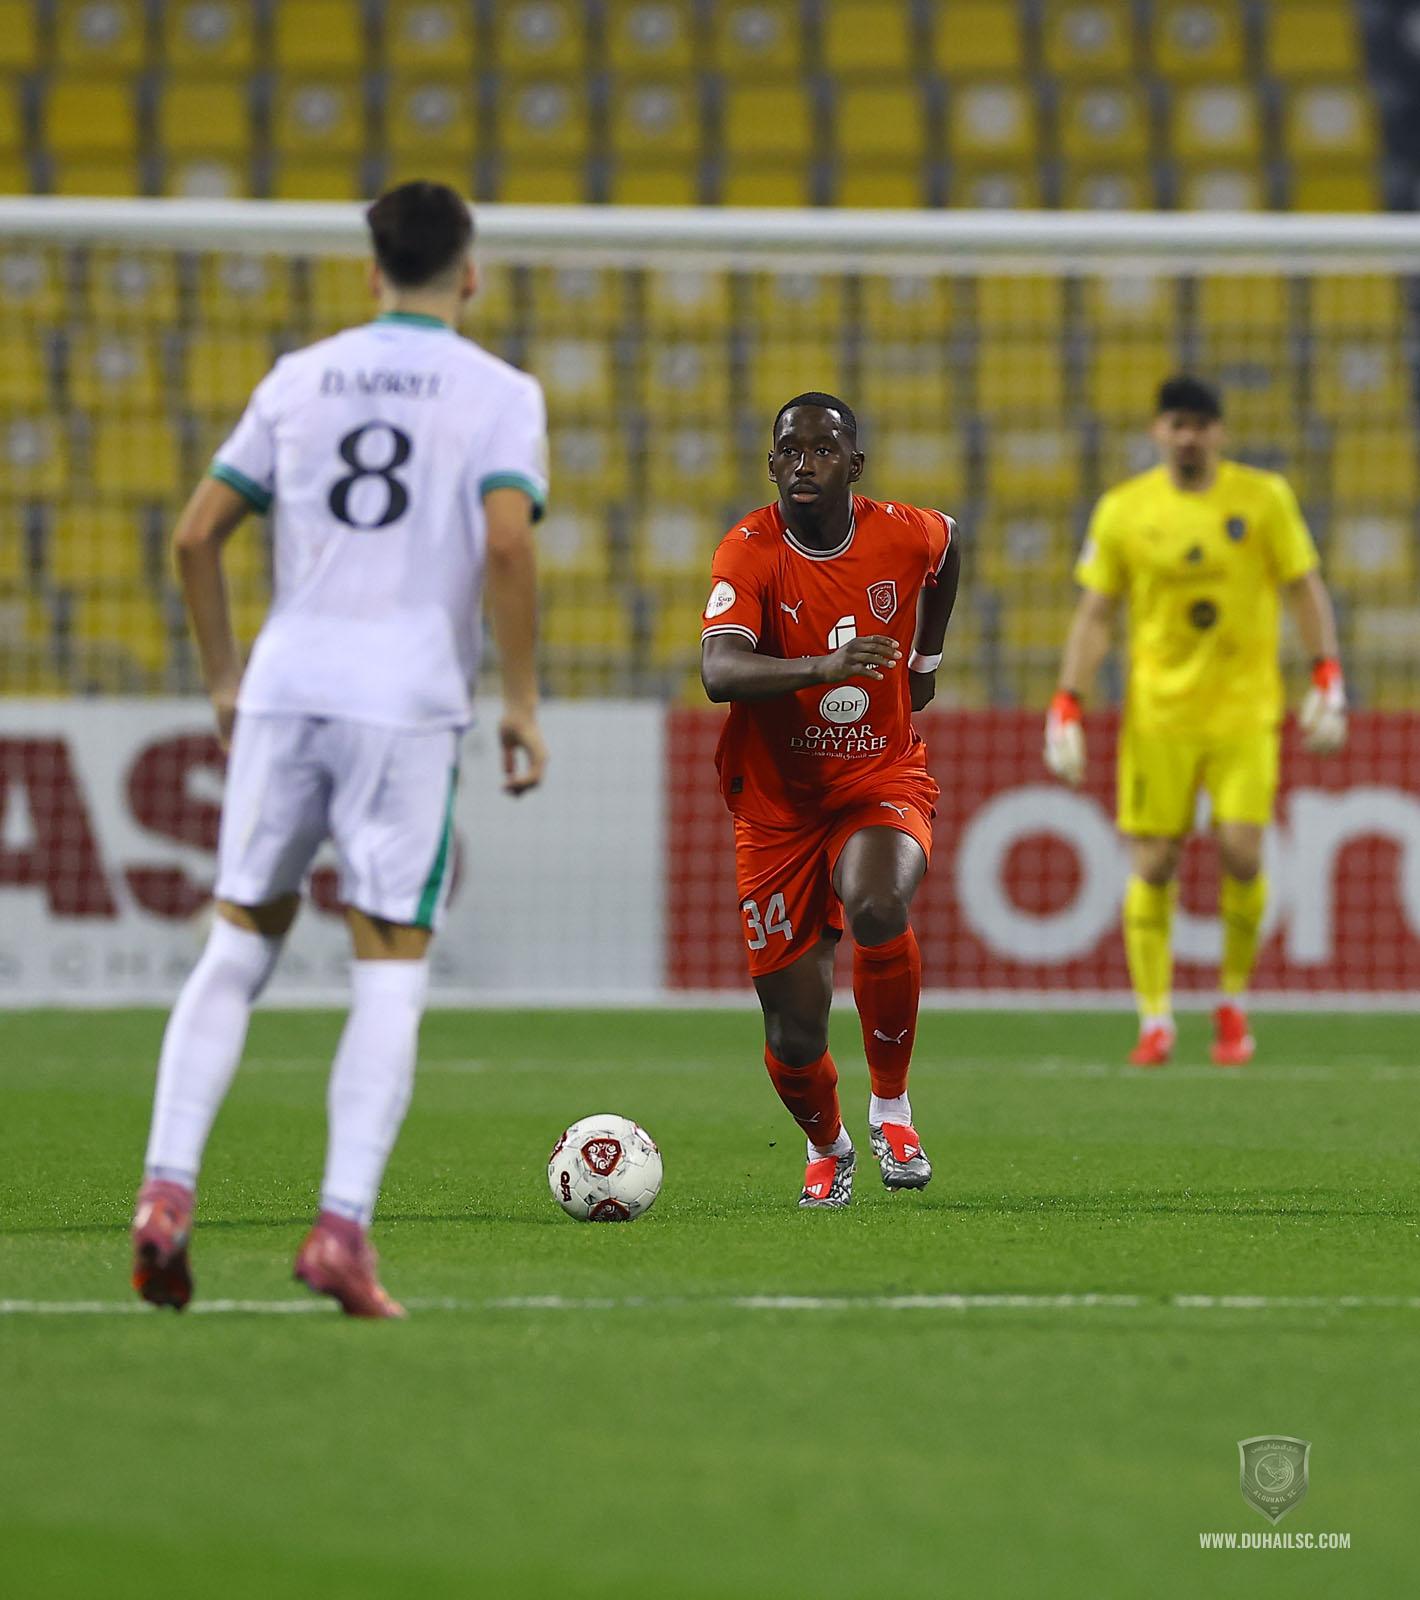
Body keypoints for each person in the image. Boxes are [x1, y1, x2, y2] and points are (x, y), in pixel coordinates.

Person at [131, 181, 548, 1317]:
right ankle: (340, 1230)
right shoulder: (499, 392)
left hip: (286, 685)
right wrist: (520, 700)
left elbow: (196, 536)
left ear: (372, 272)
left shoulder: (297, 377)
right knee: (389, 966)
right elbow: (508, 546)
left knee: (237, 944)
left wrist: (226, 678)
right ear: (469, 273)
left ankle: (165, 1193)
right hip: (401, 700)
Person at [699, 393, 961, 1208]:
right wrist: (821, 668)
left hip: (879, 779)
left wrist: (924, 662)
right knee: (793, 1032)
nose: (804, 464)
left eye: (822, 450)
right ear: (771, 465)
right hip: (777, 811)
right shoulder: (749, 550)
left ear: (855, 465)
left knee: (879, 903)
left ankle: (893, 1110)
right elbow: (718, 672)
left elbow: (951, 545)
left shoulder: (902, 533)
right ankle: (828, 1145)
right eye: (790, 451)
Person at [1044, 375, 1346, 1067]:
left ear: (1220, 433)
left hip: (1245, 710)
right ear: (1158, 431)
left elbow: (1304, 588)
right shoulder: (1124, 510)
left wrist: (1327, 672)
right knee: (1154, 861)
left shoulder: (1264, 498)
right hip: (1159, 715)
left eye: (1200, 425)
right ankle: (1155, 1018)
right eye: (1177, 424)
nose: (1188, 437)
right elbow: (1095, 615)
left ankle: (1233, 1002)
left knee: (1242, 851)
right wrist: (1067, 701)